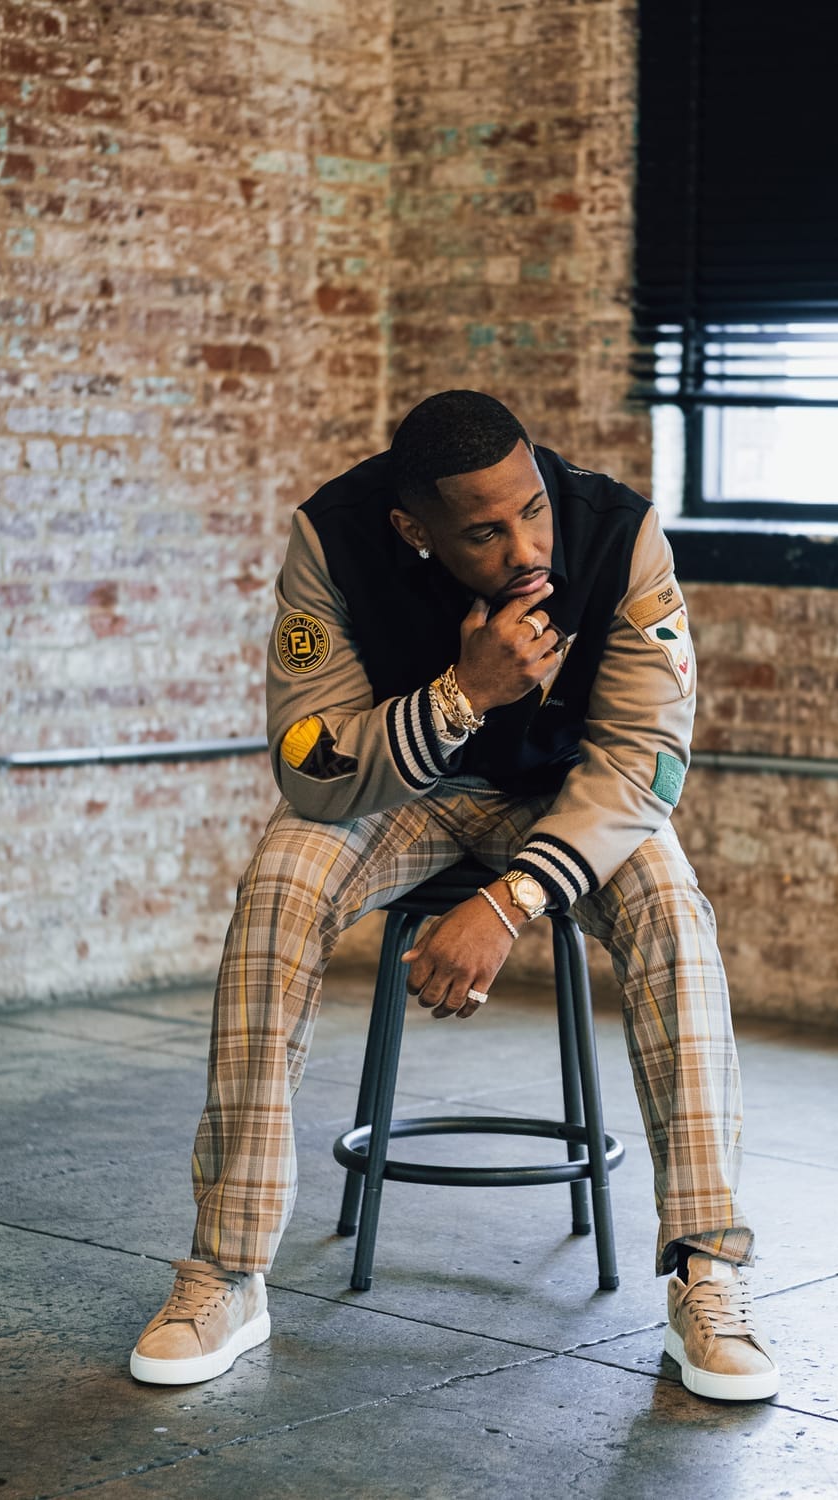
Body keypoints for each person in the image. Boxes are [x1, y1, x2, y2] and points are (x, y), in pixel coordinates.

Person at [129, 390, 779, 1402]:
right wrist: (462, 695)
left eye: (533, 508)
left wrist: (511, 901)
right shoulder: (335, 539)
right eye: (484, 532)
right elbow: (310, 765)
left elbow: (643, 762)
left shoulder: (620, 535)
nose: (527, 547)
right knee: (277, 891)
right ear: (413, 528)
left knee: (673, 910)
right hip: (402, 796)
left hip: (566, 801)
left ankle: (708, 1271)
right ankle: (227, 1272)